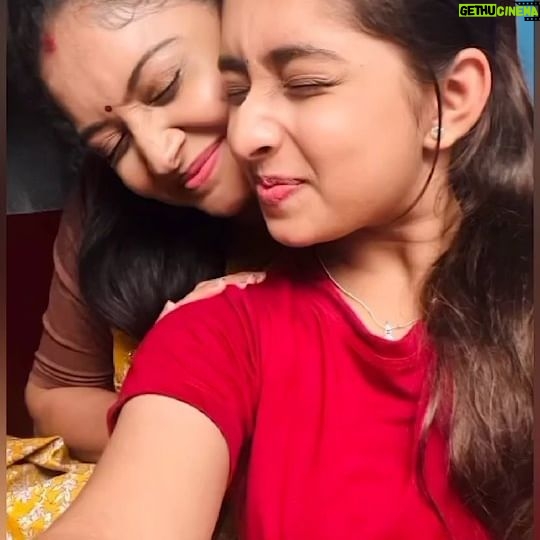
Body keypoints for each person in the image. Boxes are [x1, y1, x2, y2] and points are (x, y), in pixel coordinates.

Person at [40, 0, 532, 538]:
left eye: (304, 83)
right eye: (238, 90)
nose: (244, 135)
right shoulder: (214, 325)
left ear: (452, 98)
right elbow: (72, 407)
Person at [7, 1, 271, 537]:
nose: (158, 154)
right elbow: (53, 400)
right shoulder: (113, 204)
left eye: (165, 85)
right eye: (115, 144)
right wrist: (177, 398)